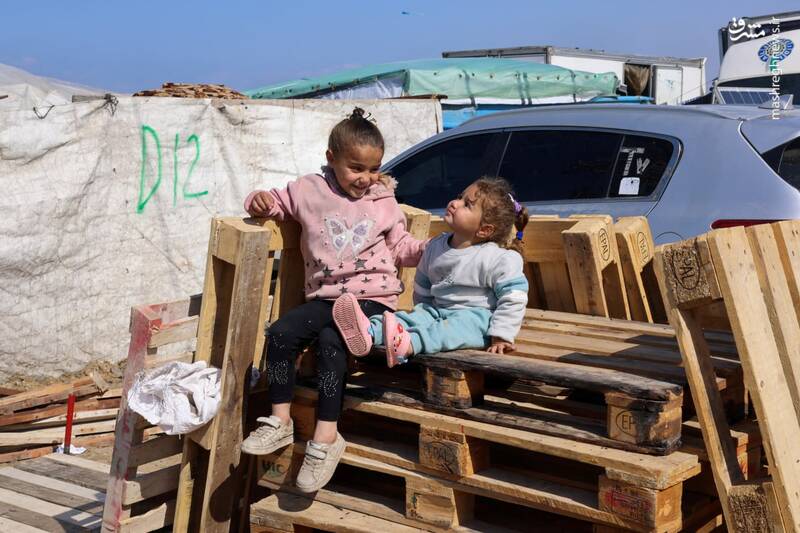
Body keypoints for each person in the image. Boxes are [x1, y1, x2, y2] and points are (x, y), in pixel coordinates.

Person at [239, 108, 426, 493]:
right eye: (356, 168)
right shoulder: (308, 190)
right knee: (280, 334)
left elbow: (401, 247)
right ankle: (280, 420)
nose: (366, 178)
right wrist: (257, 200)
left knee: (331, 342)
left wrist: (435, 251)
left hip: (373, 299)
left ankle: (325, 437)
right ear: (331, 158)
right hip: (327, 298)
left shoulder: (384, 200)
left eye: (374, 169)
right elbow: (274, 203)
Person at [332, 177, 529, 367]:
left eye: (467, 205)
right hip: (437, 310)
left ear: (484, 230)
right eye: (460, 197)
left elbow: (513, 299)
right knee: (409, 318)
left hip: (477, 320)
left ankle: (408, 345)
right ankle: (369, 330)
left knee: (450, 328)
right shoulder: (436, 246)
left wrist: (501, 335)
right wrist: (422, 311)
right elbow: (423, 281)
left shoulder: (498, 258)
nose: (455, 203)